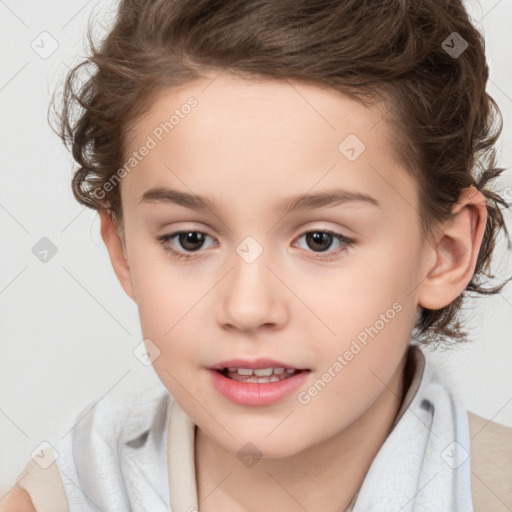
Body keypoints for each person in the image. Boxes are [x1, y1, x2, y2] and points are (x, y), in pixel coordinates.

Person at [2, 0, 512, 510]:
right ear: (125, 251)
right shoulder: (62, 498)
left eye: (320, 240)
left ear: (445, 253)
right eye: (190, 239)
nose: (247, 308)